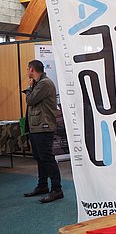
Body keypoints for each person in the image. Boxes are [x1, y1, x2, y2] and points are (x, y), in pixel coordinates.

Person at [22, 60, 63, 203]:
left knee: (47, 157)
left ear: (32, 69)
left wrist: (29, 88)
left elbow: (31, 100)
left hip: (43, 126)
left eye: (28, 69)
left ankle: (57, 189)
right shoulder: (39, 84)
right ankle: (42, 185)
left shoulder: (44, 84)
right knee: (40, 157)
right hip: (37, 126)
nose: (27, 71)